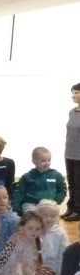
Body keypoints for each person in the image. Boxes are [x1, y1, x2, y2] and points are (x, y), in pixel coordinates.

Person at [0, 210, 55, 275]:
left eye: (38, 229)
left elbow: (35, 265)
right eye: (30, 228)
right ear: (22, 227)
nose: (34, 232)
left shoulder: (39, 242)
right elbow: (15, 268)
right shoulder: (16, 241)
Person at [12, 146, 66, 214]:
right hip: (31, 204)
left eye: (49, 160)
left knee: (52, 215)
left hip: (49, 205)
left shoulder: (56, 175)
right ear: (34, 161)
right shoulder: (27, 177)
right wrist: (16, 209)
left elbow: (62, 189)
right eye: (43, 161)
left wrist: (56, 201)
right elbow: (19, 193)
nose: (47, 163)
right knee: (31, 215)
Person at [37, 199, 68, 275]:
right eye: (45, 215)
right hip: (33, 266)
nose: (48, 219)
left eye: (53, 216)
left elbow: (64, 256)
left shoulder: (60, 233)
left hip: (52, 268)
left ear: (57, 217)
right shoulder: (33, 230)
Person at [63, 82, 80, 221]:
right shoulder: (72, 112)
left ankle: (78, 211)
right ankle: (71, 208)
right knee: (71, 183)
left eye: (76, 93)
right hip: (69, 153)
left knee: (79, 183)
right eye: (73, 93)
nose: (73, 95)